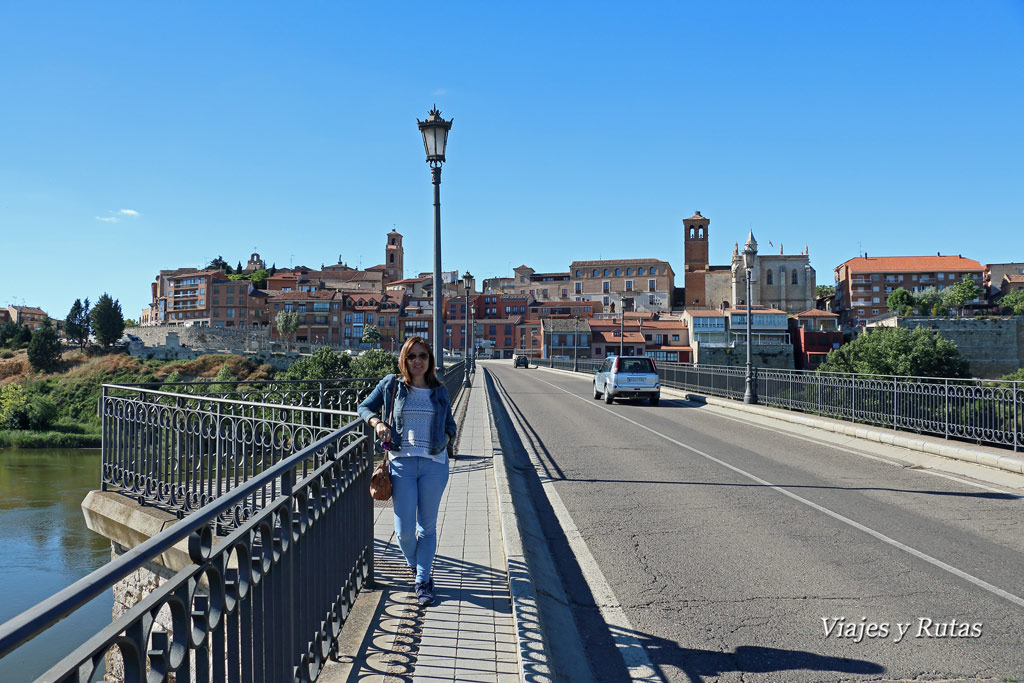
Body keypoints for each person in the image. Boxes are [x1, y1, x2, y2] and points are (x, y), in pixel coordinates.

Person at [358, 336, 457, 606]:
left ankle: (423, 580)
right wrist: (377, 423)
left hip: (434, 465)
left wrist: (447, 440)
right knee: (403, 531)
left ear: (430, 360)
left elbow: (451, 424)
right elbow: (363, 407)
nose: (417, 361)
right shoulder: (392, 385)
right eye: (412, 356)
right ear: (404, 358)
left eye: (422, 356)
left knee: (427, 526)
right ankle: (417, 567)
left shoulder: (439, 390)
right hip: (401, 464)